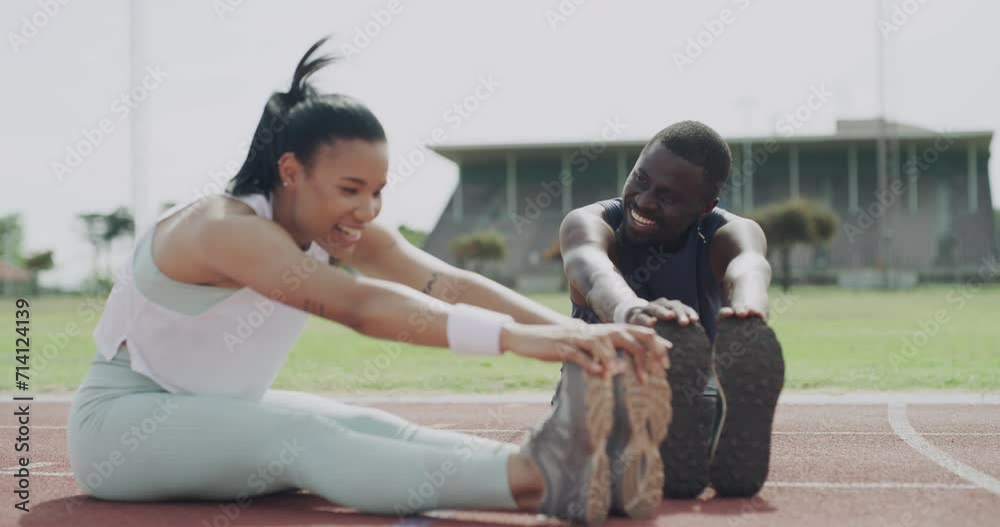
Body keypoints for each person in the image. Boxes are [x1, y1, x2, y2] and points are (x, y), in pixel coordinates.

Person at [66, 38, 672, 525]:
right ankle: (536, 482)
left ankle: (578, 468)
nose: (367, 210)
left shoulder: (334, 225)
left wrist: (575, 333)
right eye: (350, 190)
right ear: (290, 172)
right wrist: (514, 338)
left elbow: (443, 281)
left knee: (370, 427)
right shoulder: (223, 229)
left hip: (211, 412)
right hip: (123, 427)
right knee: (302, 435)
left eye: (378, 191)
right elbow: (356, 305)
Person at [555, 120, 785, 499]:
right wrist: (633, 312)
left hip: (688, 401)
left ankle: (677, 441)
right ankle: (667, 444)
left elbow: (749, 267)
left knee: (634, 443)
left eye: (668, 196)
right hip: (598, 390)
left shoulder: (726, 232)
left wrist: (749, 315)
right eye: (640, 180)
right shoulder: (589, 223)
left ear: (706, 205)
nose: (644, 201)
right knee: (600, 428)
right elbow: (592, 271)